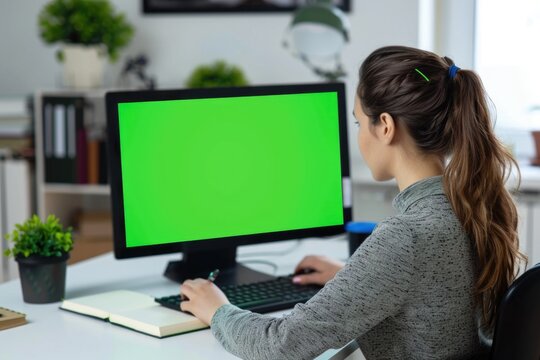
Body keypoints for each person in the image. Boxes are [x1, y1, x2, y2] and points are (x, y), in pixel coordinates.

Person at [178, 46, 524, 359]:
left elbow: (280, 344)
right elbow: (436, 296)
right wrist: (352, 278)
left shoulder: (408, 235)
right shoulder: (469, 205)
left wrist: (217, 309)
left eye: (360, 121)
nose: (358, 134)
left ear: (385, 126)